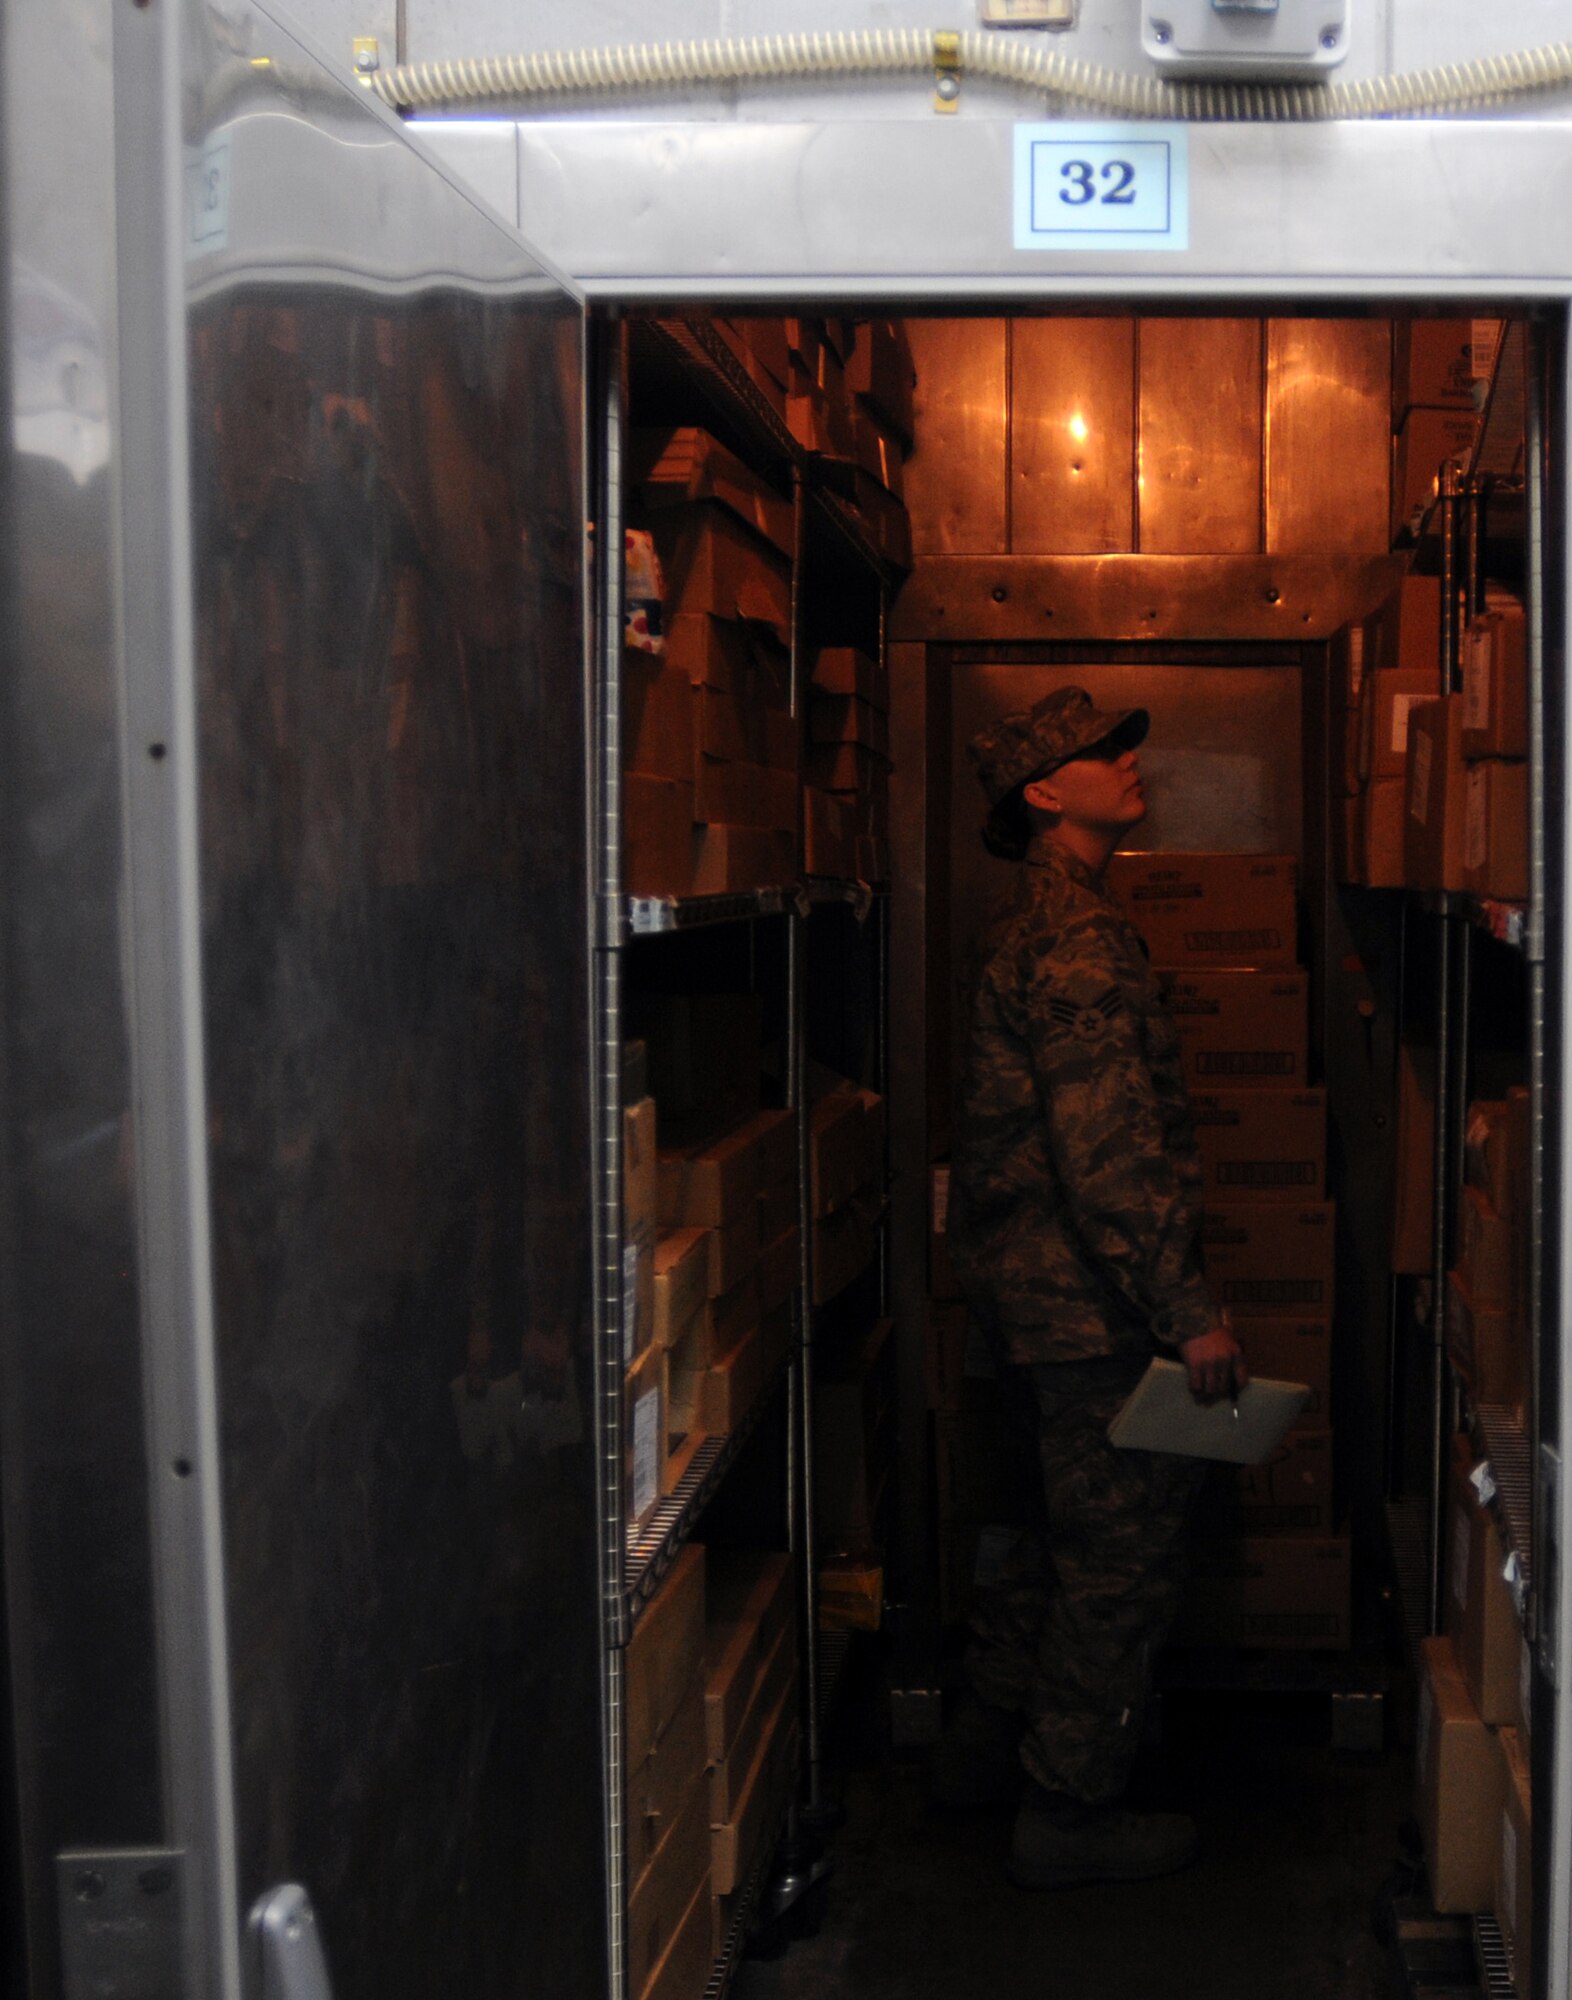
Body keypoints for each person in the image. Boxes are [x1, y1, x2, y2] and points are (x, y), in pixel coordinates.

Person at [934, 684, 1246, 1890]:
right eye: (1096, 753)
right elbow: (1106, 1154)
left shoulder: (1039, 923)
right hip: (1087, 1314)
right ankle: (1067, 1811)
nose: (1126, 762)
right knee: (1116, 1561)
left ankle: (978, 1758)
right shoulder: (1075, 938)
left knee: (1037, 1543)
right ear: (1042, 792)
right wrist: (1189, 1311)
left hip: (1025, 1308)